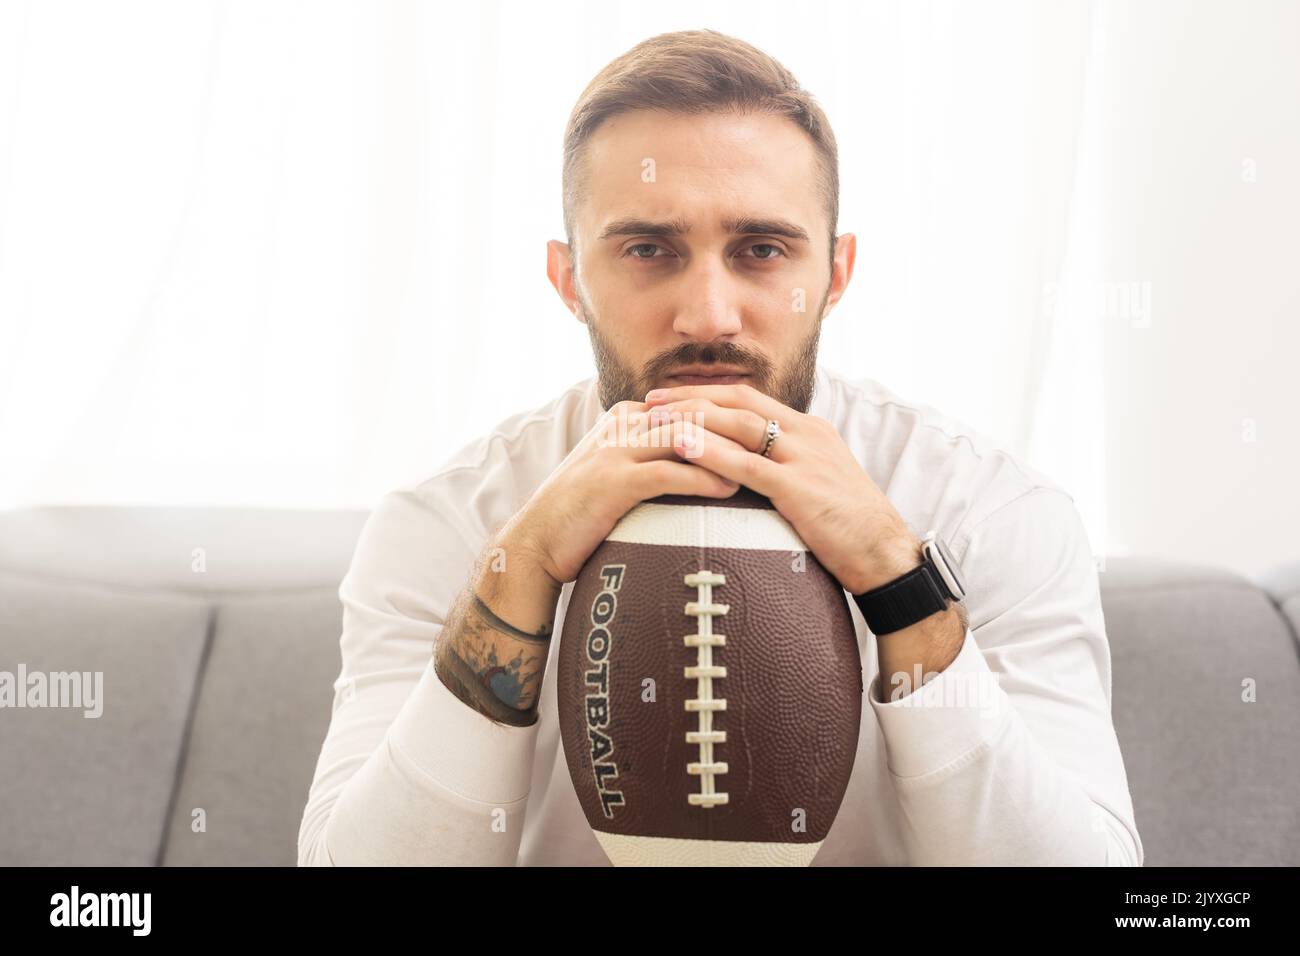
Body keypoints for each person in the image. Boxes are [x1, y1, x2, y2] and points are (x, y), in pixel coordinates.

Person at [297, 28, 1142, 866]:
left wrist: (901, 582)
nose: (708, 315)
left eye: (762, 250)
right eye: (648, 250)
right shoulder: (444, 522)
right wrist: (515, 571)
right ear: (568, 280)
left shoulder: (989, 511)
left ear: (837, 274)